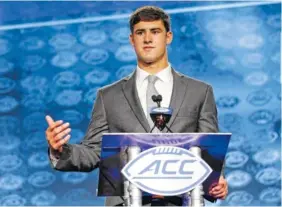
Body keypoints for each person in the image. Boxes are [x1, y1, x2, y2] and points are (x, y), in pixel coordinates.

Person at [45, 6, 228, 206]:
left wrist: (217, 180)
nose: (147, 39)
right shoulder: (109, 96)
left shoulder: (199, 92)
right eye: (141, 32)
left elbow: (209, 151)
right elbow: (94, 151)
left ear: (168, 37)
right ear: (132, 40)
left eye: (155, 32)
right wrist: (60, 150)